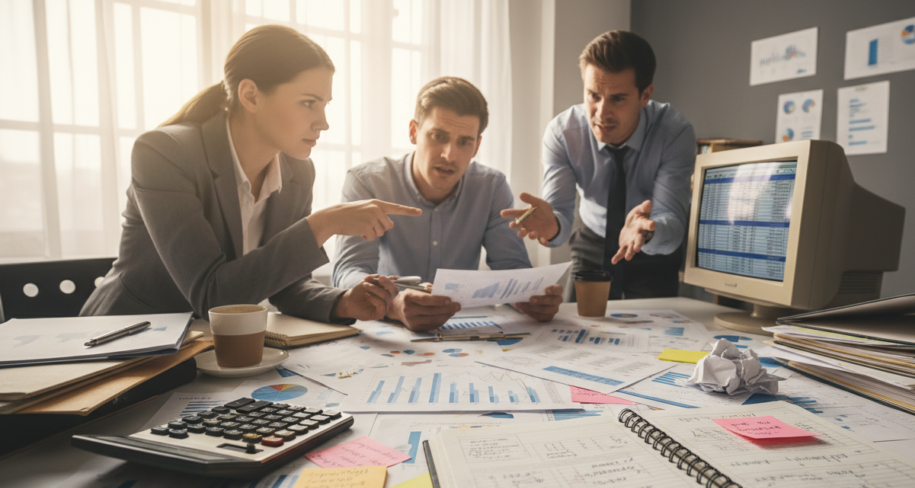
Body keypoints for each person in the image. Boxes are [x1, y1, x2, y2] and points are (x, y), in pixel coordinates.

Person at [81, 25, 421, 323]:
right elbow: (212, 297)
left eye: (325, 105)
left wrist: (344, 302)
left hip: (211, 350)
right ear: (250, 95)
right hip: (124, 346)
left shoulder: (297, 171)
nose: (323, 123)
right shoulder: (164, 153)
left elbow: (284, 285)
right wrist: (324, 224)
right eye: (308, 103)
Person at [332, 77, 563, 332]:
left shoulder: (492, 187)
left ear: (476, 146)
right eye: (438, 136)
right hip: (388, 329)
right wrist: (393, 303)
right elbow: (348, 271)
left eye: (464, 141)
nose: (449, 155)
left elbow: (511, 269)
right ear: (413, 132)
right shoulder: (368, 183)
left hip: (464, 330)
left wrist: (529, 297)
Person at [501, 30, 696, 300]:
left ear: (645, 95)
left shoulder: (674, 133)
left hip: (650, 247)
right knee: (577, 331)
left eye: (617, 98)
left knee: (655, 336)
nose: (601, 113)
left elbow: (672, 223)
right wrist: (552, 227)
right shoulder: (563, 133)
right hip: (592, 239)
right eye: (593, 95)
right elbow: (560, 217)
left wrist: (645, 232)